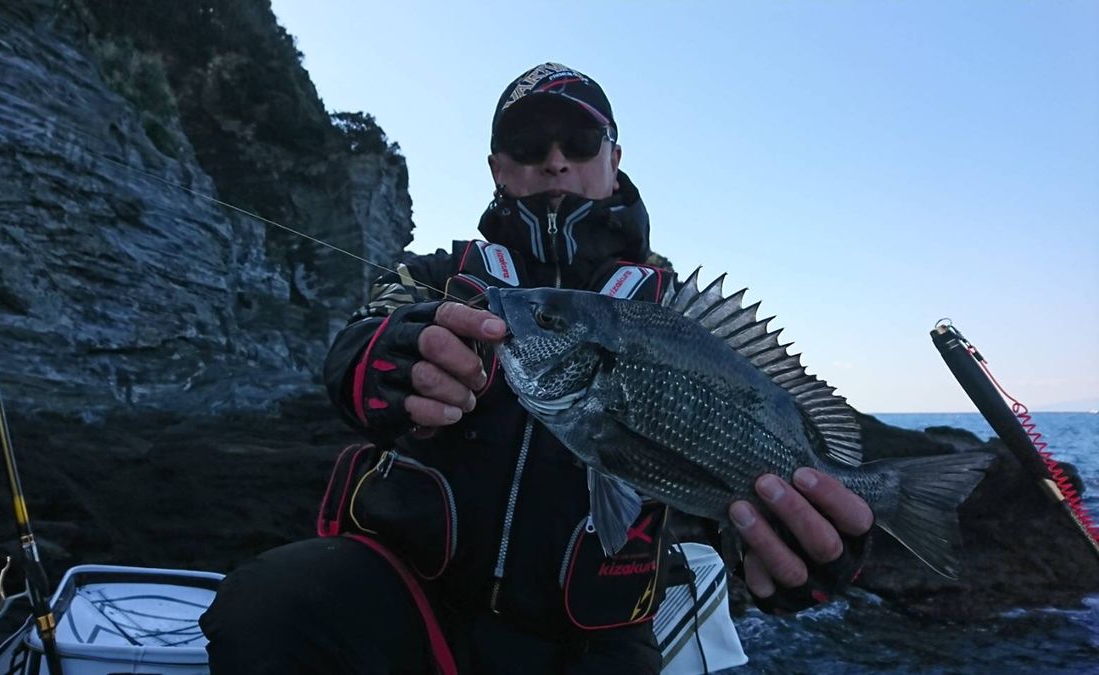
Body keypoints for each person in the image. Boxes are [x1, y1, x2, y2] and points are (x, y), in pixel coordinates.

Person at [200, 62, 874, 674]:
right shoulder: (438, 278)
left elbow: (727, 478)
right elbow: (358, 339)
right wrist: (393, 355)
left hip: (596, 637)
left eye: (579, 144)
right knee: (264, 611)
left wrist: (806, 555)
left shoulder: (680, 318)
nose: (555, 162)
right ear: (497, 167)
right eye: (528, 147)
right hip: (412, 593)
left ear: (615, 159)